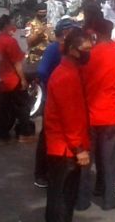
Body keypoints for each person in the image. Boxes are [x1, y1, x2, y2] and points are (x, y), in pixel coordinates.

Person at [77, 16, 115, 211]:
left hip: (88, 114)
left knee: (84, 160)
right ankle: (108, 198)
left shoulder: (87, 57)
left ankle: (81, 200)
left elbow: (79, 84)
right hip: (110, 115)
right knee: (108, 159)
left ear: (95, 34)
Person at [44, 28, 92, 222]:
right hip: (65, 148)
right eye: (86, 48)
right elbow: (70, 117)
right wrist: (79, 148)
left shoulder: (69, 71)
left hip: (64, 145)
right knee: (63, 198)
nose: (89, 53)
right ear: (73, 49)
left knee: (60, 196)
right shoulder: (66, 76)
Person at [34, 17, 79, 190]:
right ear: (66, 32)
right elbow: (42, 70)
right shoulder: (54, 48)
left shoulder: (68, 48)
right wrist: (54, 85)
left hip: (67, 99)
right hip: (53, 99)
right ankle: (40, 173)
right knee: (47, 136)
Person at [0, 14, 35, 143]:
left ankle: (3, 135)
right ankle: (24, 134)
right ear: (6, 26)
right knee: (22, 107)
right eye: (12, 24)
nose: (14, 26)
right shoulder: (10, 41)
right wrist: (23, 80)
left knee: (3, 109)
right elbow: (17, 63)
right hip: (12, 80)